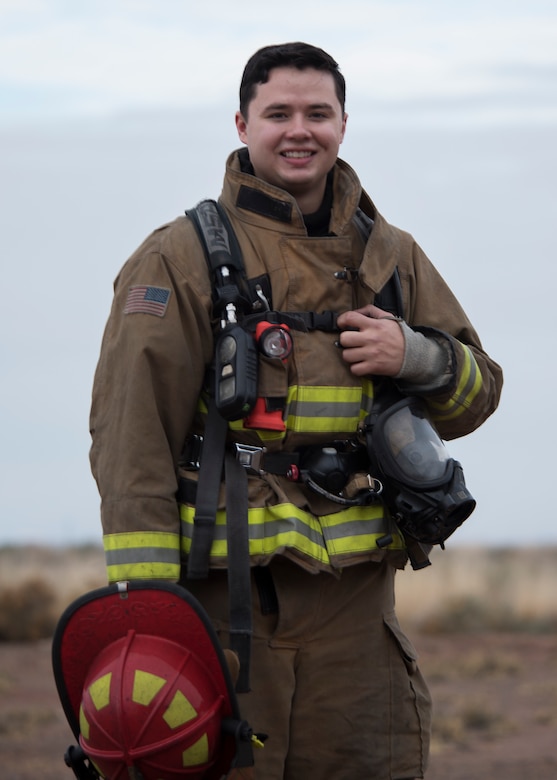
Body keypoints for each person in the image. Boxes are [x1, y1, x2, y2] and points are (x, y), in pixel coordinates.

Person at [89, 42, 503, 779]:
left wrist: (417, 355)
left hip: (358, 613)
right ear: (243, 123)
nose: (298, 130)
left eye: (317, 112)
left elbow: (477, 396)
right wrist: (147, 616)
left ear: (344, 123)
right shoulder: (180, 257)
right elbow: (130, 434)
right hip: (224, 609)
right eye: (277, 113)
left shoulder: (392, 256)